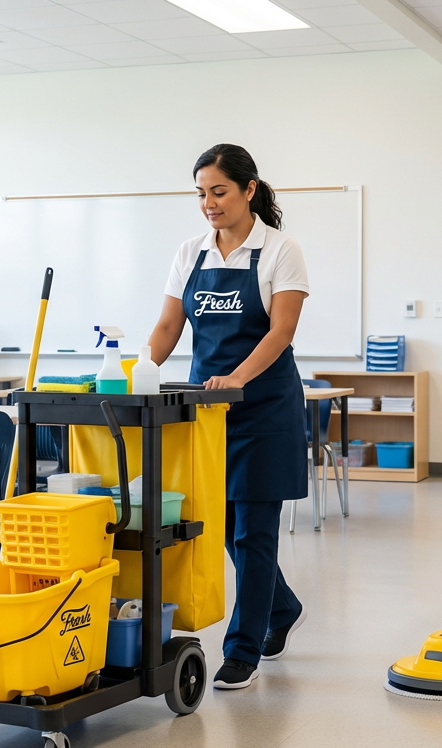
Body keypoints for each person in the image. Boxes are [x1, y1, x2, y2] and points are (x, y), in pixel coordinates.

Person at [148, 144, 309, 690]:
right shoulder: (191, 252)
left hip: (263, 410)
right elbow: (170, 327)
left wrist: (237, 379)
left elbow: (280, 331)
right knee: (220, 530)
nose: (208, 203)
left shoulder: (281, 250)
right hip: (206, 415)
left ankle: (243, 650)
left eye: (218, 191)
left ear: (249, 190)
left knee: (254, 532)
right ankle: (281, 607)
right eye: (201, 193)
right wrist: (137, 372)